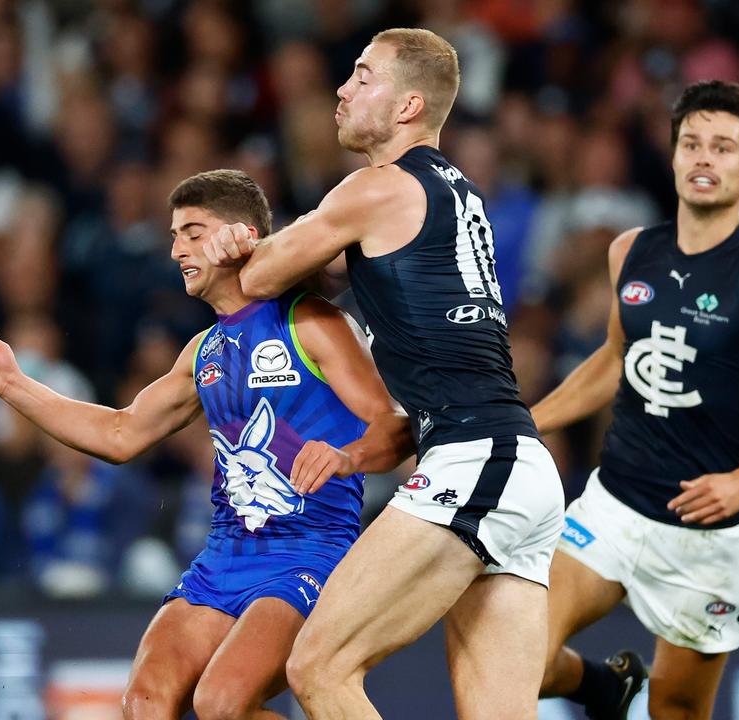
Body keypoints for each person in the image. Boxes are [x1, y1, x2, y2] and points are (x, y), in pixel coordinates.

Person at [0, 169, 412, 720]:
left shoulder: (309, 321)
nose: (177, 249)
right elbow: (120, 434)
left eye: (193, 232)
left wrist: (347, 456)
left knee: (221, 703)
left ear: (240, 236)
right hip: (223, 558)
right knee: (144, 703)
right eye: (173, 235)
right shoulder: (203, 351)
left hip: (309, 554)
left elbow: (396, 424)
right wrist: (12, 384)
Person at [205, 28, 565, 719]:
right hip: (518, 467)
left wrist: (239, 241)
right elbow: (340, 275)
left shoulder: (375, 188)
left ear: (407, 107)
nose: (341, 90)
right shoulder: (452, 191)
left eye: (363, 77)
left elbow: (256, 280)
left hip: (469, 459)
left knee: (320, 666)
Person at [530, 81, 739, 719]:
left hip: (706, 534)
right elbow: (617, 359)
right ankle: (602, 687)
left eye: (723, 148)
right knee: (519, 655)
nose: (705, 158)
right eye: (692, 144)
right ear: (673, 156)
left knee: (676, 709)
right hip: (613, 502)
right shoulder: (631, 250)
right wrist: (527, 420)